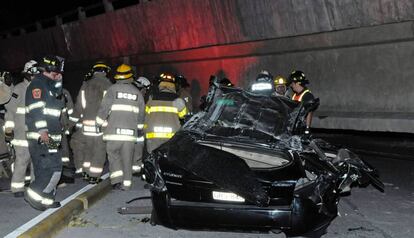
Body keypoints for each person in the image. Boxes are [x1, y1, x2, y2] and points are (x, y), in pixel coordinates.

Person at [24, 55, 65, 210]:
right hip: (42, 136)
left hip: (51, 135)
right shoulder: (38, 84)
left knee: (52, 168)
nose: (58, 72)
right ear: (49, 68)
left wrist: (58, 81)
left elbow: (56, 94)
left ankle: (46, 200)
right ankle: (33, 196)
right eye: (56, 70)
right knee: (51, 169)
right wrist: (43, 132)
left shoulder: (48, 84)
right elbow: (36, 110)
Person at [96, 64, 145, 190]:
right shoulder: (137, 93)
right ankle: (127, 185)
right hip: (129, 135)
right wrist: (139, 129)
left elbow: (104, 109)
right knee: (128, 159)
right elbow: (141, 115)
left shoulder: (112, 90)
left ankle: (117, 180)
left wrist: (98, 123)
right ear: (130, 77)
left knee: (114, 157)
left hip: (113, 133)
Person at [71, 62, 112, 183]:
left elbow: (79, 105)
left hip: (86, 125)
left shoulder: (85, 85)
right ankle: (94, 176)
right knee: (99, 151)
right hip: (101, 125)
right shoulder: (108, 85)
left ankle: (86, 173)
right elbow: (108, 107)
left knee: (88, 150)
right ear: (105, 72)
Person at [5, 60, 38, 197]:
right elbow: (10, 111)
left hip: (36, 132)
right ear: (27, 74)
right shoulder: (19, 89)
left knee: (37, 160)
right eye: (33, 73)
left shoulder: (40, 88)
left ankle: (35, 185)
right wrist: (8, 130)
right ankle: (17, 188)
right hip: (21, 134)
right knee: (22, 160)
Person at [144, 73, 187, 153]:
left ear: (160, 84)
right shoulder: (178, 100)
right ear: (173, 85)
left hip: (153, 137)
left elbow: (145, 116)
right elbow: (184, 118)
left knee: (153, 161)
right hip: (172, 139)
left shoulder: (152, 99)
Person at [289, 70, 315, 135]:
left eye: (292, 83)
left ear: (297, 83)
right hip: (293, 127)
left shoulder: (307, 96)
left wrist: (307, 129)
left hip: (300, 129)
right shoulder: (294, 95)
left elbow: (309, 112)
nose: (291, 85)